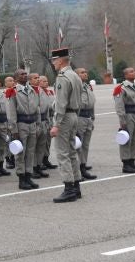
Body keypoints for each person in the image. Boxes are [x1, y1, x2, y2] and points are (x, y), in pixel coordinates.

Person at [49, 48, 83, 202]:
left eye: (54, 60)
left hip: (64, 118)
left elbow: (61, 103)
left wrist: (56, 124)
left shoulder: (63, 77)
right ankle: (76, 187)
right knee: (71, 152)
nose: (53, 63)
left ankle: (69, 188)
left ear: (61, 60)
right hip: (74, 115)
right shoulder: (75, 75)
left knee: (63, 153)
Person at [6, 69, 41, 190]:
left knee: (30, 152)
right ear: (15, 78)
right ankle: (21, 178)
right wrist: (13, 129)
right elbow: (11, 113)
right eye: (22, 74)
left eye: (26, 74)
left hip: (32, 123)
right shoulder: (13, 91)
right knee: (21, 153)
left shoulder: (33, 90)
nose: (25, 76)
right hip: (21, 124)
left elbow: (37, 108)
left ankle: (28, 176)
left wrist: (38, 124)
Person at [113, 67, 135, 174]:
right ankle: (126, 164)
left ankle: (132, 161)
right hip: (128, 116)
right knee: (126, 140)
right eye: (131, 71)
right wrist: (122, 121)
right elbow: (119, 106)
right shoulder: (121, 88)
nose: (134, 72)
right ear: (126, 75)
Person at [76, 68, 97, 180]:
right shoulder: (75, 87)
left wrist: (92, 118)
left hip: (88, 117)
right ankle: (79, 168)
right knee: (78, 145)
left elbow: (92, 103)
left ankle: (83, 165)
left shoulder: (88, 86)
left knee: (85, 145)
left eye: (86, 72)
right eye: (82, 72)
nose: (85, 74)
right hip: (79, 117)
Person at [28, 73, 49, 180]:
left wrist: (48, 121)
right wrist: (38, 123)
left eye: (38, 78)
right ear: (30, 80)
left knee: (41, 146)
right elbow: (35, 108)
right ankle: (32, 168)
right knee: (33, 147)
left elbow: (47, 107)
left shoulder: (41, 90)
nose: (37, 80)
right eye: (35, 78)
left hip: (45, 121)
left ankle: (38, 166)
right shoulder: (30, 91)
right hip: (36, 122)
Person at [38, 76, 58, 170]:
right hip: (42, 118)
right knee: (40, 143)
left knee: (48, 141)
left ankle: (46, 159)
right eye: (44, 81)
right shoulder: (37, 92)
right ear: (39, 82)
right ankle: (39, 161)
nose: (46, 82)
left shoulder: (50, 92)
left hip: (49, 118)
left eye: (47, 80)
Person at [3, 76, 17, 170]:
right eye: (9, 81)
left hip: (13, 120)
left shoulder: (15, 92)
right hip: (5, 121)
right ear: (5, 83)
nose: (12, 82)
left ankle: (13, 158)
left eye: (13, 80)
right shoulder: (4, 93)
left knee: (13, 141)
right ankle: (8, 159)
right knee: (7, 141)